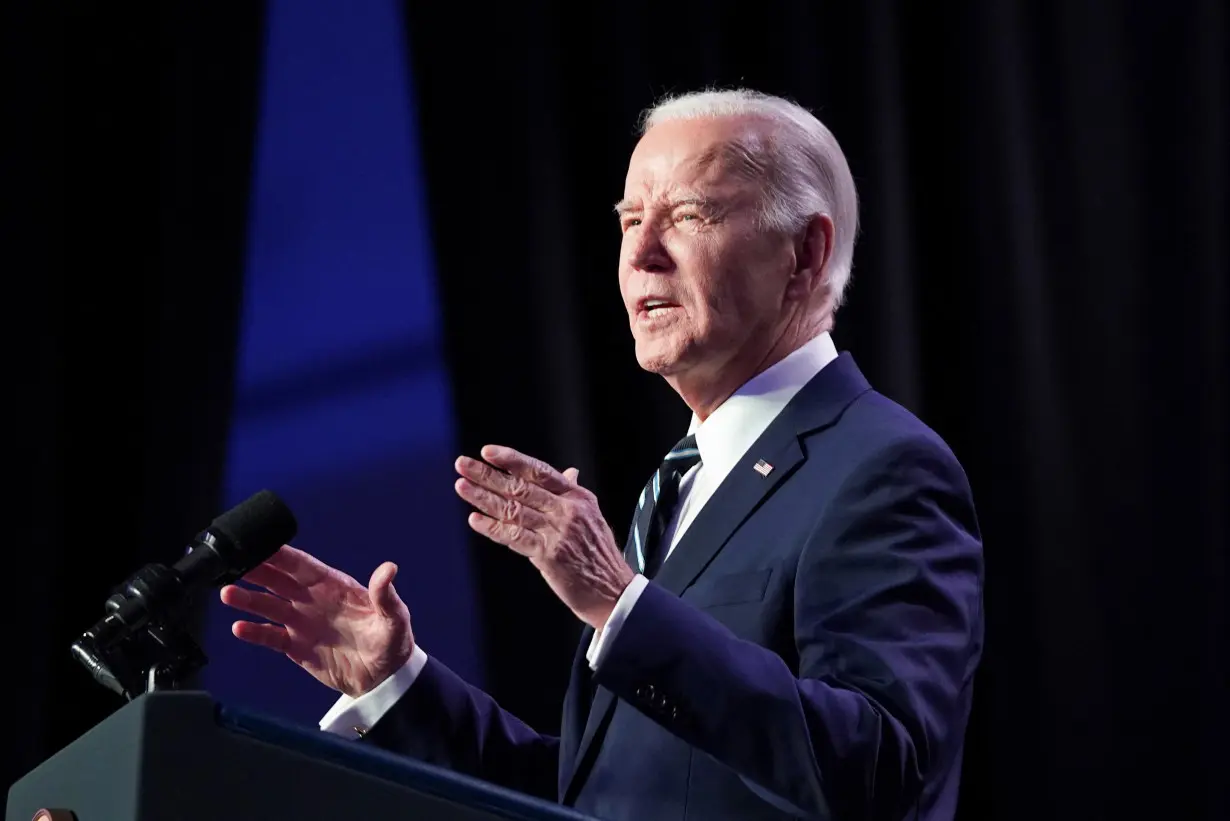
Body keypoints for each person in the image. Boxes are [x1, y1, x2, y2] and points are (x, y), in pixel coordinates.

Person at [220, 88, 984, 821]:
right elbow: (598, 798)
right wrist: (396, 685)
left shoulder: (881, 467)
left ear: (805, 253)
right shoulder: (684, 481)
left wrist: (620, 605)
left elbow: (880, 769)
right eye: (629, 220)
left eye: (689, 214)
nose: (642, 254)